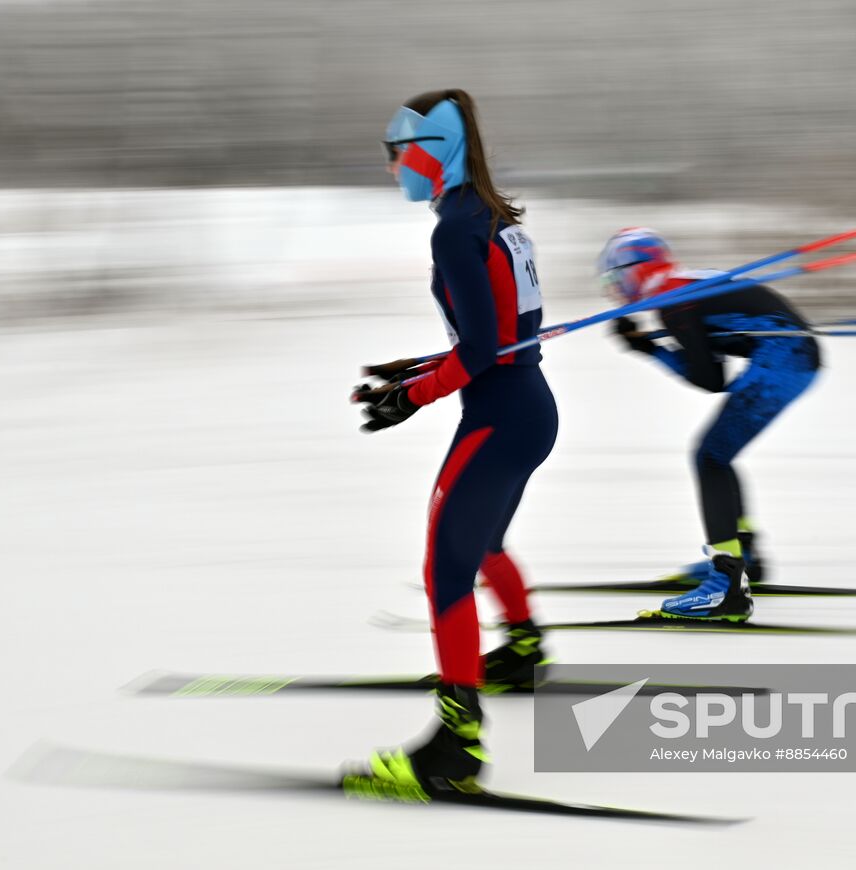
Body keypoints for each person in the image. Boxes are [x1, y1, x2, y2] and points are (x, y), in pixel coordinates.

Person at [343, 89, 557, 801]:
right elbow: (499, 336)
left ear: (435, 151)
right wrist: (413, 370)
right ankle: (525, 650)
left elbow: (482, 348)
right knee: (483, 540)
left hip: (498, 416)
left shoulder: (453, 228)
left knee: (446, 572)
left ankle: (455, 750)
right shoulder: (488, 217)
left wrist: (411, 398)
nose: (391, 165)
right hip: (528, 411)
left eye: (396, 149)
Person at [599, 227, 821, 622]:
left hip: (784, 358)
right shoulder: (682, 286)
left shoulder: (676, 301)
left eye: (616, 278)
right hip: (790, 353)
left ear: (636, 270)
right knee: (717, 456)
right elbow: (715, 366)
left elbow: (708, 380)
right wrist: (653, 344)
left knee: (710, 457)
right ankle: (744, 558)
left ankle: (726, 583)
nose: (616, 288)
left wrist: (648, 348)